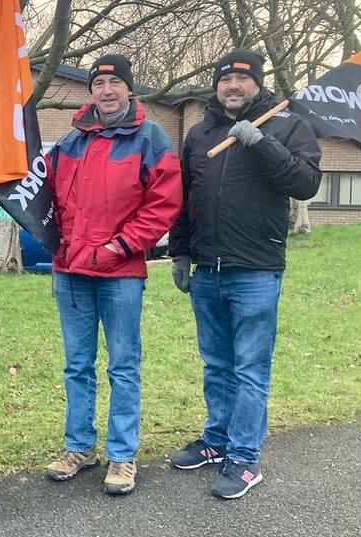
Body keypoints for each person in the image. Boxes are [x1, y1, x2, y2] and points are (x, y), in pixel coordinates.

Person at [168, 50, 321, 499]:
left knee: (251, 369)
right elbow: (186, 198)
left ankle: (245, 458)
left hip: (256, 269)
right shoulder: (199, 134)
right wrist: (180, 253)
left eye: (241, 79)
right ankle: (217, 442)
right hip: (208, 271)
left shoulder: (287, 126)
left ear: (257, 83)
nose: (232, 87)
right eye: (225, 80)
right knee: (217, 365)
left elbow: (306, 184)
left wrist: (260, 142)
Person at [43, 54, 182, 495]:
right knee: (77, 366)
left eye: (115, 82)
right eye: (99, 82)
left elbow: (163, 204)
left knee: (123, 367)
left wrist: (121, 246)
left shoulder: (150, 138)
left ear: (128, 88)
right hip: (71, 272)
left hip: (121, 273)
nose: (106, 89)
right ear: (91, 91)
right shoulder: (70, 141)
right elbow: (38, 190)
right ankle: (79, 447)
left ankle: (122, 455)